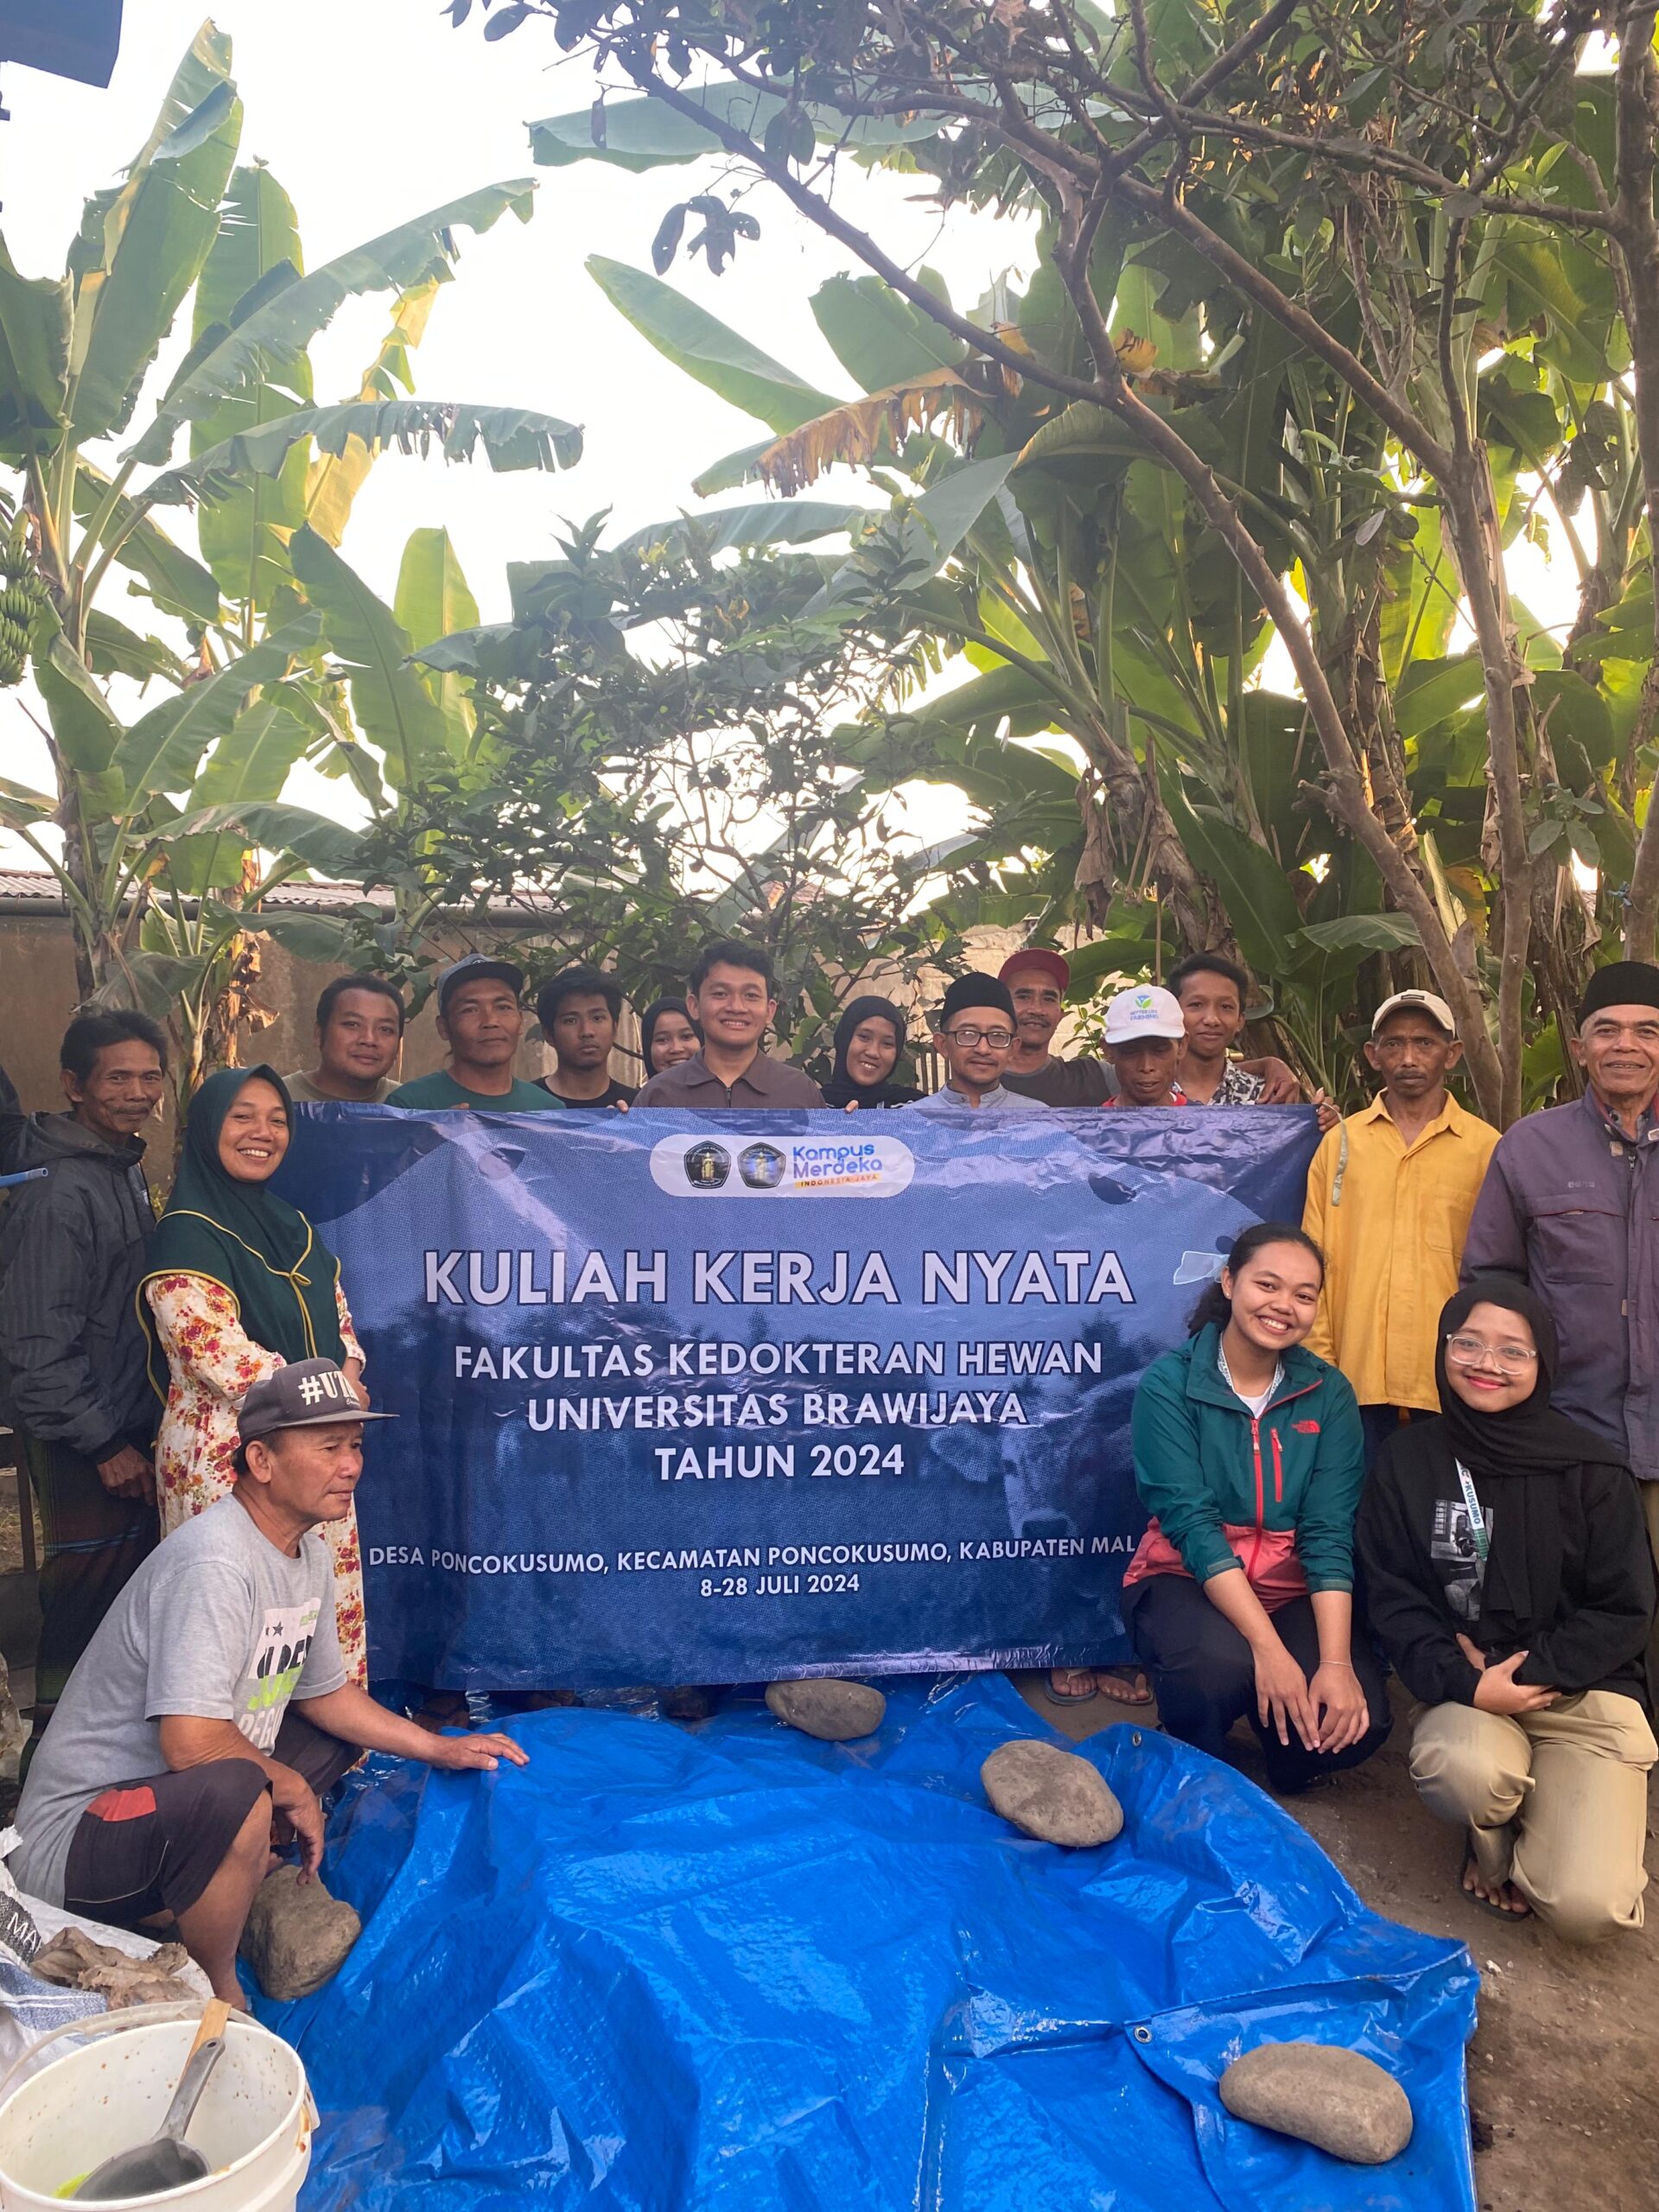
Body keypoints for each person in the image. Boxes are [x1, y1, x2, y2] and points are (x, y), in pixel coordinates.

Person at [9, 1358, 527, 2004]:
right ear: (261, 1461)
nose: (352, 1466)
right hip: (78, 1837)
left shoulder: (304, 1551)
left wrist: (440, 1747)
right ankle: (217, 1988)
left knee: (329, 1743)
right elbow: (191, 1745)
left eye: (357, 1446)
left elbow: (325, 1694)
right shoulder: (215, 1562)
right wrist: (286, 1788)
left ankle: (226, 1885)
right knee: (242, 1793)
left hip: (167, 1798)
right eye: (330, 1447)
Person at [1358, 1281, 1656, 1939]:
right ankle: (1487, 1840)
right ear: (1444, 1349)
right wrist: (1468, 1683)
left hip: (1584, 1700)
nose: (1486, 1363)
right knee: (1463, 1770)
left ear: (1542, 1362)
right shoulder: (1409, 1462)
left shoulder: (1593, 1471)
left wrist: (1527, 1676)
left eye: (1512, 1351)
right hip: (1470, 1694)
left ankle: (1554, 1814)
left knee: (1585, 1908)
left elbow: (1624, 1608)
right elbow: (1395, 1594)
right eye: (1469, 1343)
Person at [1121, 1222, 1391, 1793]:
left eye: (1303, 1294)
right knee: (1214, 1672)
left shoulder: (1329, 1392)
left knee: (1354, 1719)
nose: (1282, 1306)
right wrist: (1269, 1651)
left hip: (1290, 1586)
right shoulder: (1169, 1384)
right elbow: (1192, 1527)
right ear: (1229, 1282)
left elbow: (1328, 1532)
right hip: (1188, 1575)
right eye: (1267, 1285)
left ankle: (1282, 1753)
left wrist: (1336, 1667)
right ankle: (1195, 1734)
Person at [139, 1069, 371, 1685]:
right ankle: (235, 1765)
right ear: (209, 1127)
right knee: (235, 1617)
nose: (261, 1132)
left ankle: (323, 1760)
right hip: (231, 1457)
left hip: (320, 1443)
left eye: (276, 1119)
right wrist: (336, 1396)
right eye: (242, 1116)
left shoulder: (293, 1224)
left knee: (319, 1608)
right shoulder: (185, 1233)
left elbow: (340, 1321)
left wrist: (344, 1376)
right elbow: (221, 1357)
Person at [1462, 960, 1659, 1621]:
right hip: (1567, 1437)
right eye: (1606, 1030)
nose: (1626, 1046)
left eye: (1647, 1031)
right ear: (1579, 1047)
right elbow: (1491, 1284)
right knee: (1575, 1615)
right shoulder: (1530, 1147)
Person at [0, 1012, 165, 1751]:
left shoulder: (116, 1165)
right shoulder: (59, 1190)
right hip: (84, 1437)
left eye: (149, 1076)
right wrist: (103, 1444)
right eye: (117, 1077)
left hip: (123, 1422)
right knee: (82, 1605)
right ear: (74, 1085)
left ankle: (100, 1774)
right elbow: (37, 1342)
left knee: (115, 1609)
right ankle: (49, 1781)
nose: (137, 1092)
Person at [1305, 990, 1499, 1465]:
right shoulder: (1340, 1144)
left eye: (1425, 1043)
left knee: (1441, 1528)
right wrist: (1323, 1367)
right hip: (1354, 1380)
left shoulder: (1486, 1149)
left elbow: (1500, 1272)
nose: (1408, 1058)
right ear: (1373, 1055)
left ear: (1452, 1054)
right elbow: (1311, 1260)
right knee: (1358, 1521)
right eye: (1393, 1044)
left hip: (1450, 1383)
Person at [999, 947, 1300, 1106]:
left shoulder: (1092, 1077)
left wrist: (1272, 1066)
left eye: (1048, 998)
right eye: (1023, 996)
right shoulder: (977, 1088)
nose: (1146, 1066)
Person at [632, 942, 824, 1107]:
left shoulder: (800, 1093)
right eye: (720, 994)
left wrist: (851, 1129)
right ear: (694, 1006)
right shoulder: (658, 1095)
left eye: (751, 996)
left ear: (769, 1011)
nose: (737, 1007)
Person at [386, 955, 565, 1112]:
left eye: (503, 1007)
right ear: (443, 1027)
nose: (490, 1021)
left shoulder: (549, 1110)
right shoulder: (409, 1106)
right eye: (470, 1009)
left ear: (520, 1021)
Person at [901, 977, 1049, 1118]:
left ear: (1012, 1048)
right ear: (943, 1045)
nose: (983, 1049)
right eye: (968, 1034)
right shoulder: (908, 1122)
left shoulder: (1039, 1121)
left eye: (997, 1035)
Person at [284, 975, 405, 1104]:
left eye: (385, 1029)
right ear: (319, 1034)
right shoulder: (275, 1098)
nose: (369, 1040)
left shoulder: (408, 1106)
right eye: (352, 1024)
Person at [1168, 953, 1266, 1104]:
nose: (1211, 1020)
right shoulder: (1147, 1092)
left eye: (1226, 1007)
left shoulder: (1265, 1096)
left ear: (1240, 1021)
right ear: (1173, 1013)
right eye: (1196, 1005)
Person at [533, 966, 636, 1109]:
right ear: (549, 1034)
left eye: (597, 1018)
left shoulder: (636, 1107)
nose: (587, 1031)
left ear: (615, 1027)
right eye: (571, 1020)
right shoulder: (526, 1108)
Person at [821, 996, 920, 1110]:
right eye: (864, 1037)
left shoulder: (913, 1110)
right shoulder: (812, 1107)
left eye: (887, 1043)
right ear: (845, 1040)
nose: (873, 1053)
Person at [1102, 984, 1189, 1107]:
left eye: (1160, 1050)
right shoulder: (1090, 1125)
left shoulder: (1205, 1123)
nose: (1146, 1066)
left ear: (1182, 1046)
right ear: (1108, 1051)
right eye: (1130, 1051)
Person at [639, 997, 700, 1079]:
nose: (676, 1049)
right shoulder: (645, 1092)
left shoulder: (720, 1091)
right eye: (663, 1040)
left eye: (686, 1037)